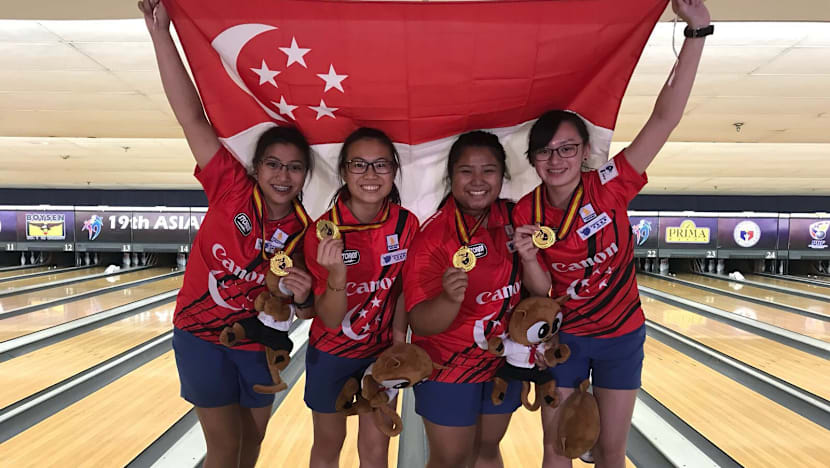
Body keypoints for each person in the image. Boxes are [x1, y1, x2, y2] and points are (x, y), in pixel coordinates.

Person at [511, 1, 711, 466]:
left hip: (622, 336)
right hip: (566, 337)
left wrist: (697, 34)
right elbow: (542, 291)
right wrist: (527, 258)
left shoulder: (610, 186)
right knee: (556, 447)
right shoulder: (526, 209)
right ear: (533, 159)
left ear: (583, 153)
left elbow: (664, 120)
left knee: (610, 450)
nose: (555, 159)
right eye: (544, 151)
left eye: (566, 148)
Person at [139, 1, 316, 467]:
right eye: (273, 164)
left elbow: (308, 305)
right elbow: (192, 118)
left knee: (251, 445)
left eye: (294, 167)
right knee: (224, 447)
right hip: (200, 336)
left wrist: (304, 295)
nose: (283, 175)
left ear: (304, 176)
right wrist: (162, 35)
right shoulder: (229, 187)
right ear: (256, 168)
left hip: (261, 342)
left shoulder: (308, 226)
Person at [403, 131, 523, 468]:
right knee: (451, 460)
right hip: (448, 368)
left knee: (486, 451)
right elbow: (419, 321)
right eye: (466, 171)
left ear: (502, 175)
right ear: (451, 176)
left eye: (489, 170)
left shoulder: (517, 220)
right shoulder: (434, 237)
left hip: (504, 362)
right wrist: (448, 300)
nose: (478, 181)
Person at [303, 127, 418, 468]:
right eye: (359, 164)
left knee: (375, 449)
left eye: (381, 164)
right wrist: (337, 274)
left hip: (382, 355)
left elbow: (401, 290)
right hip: (331, 354)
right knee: (328, 444)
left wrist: (398, 342)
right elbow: (329, 319)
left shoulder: (406, 225)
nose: (370, 174)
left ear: (394, 171)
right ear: (343, 171)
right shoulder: (322, 232)